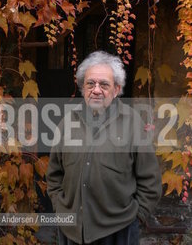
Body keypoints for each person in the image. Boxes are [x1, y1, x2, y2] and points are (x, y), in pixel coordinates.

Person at [46, 51, 162, 245]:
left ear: (116, 89)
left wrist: (137, 217)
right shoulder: (67, 122)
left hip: (118, 231)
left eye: (104, 84)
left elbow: (150, 181)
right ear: (83, 87)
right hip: (72, 231)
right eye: (90, 83)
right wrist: (60, 208)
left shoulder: (132, 123)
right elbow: (54, 175)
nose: (96, 90)